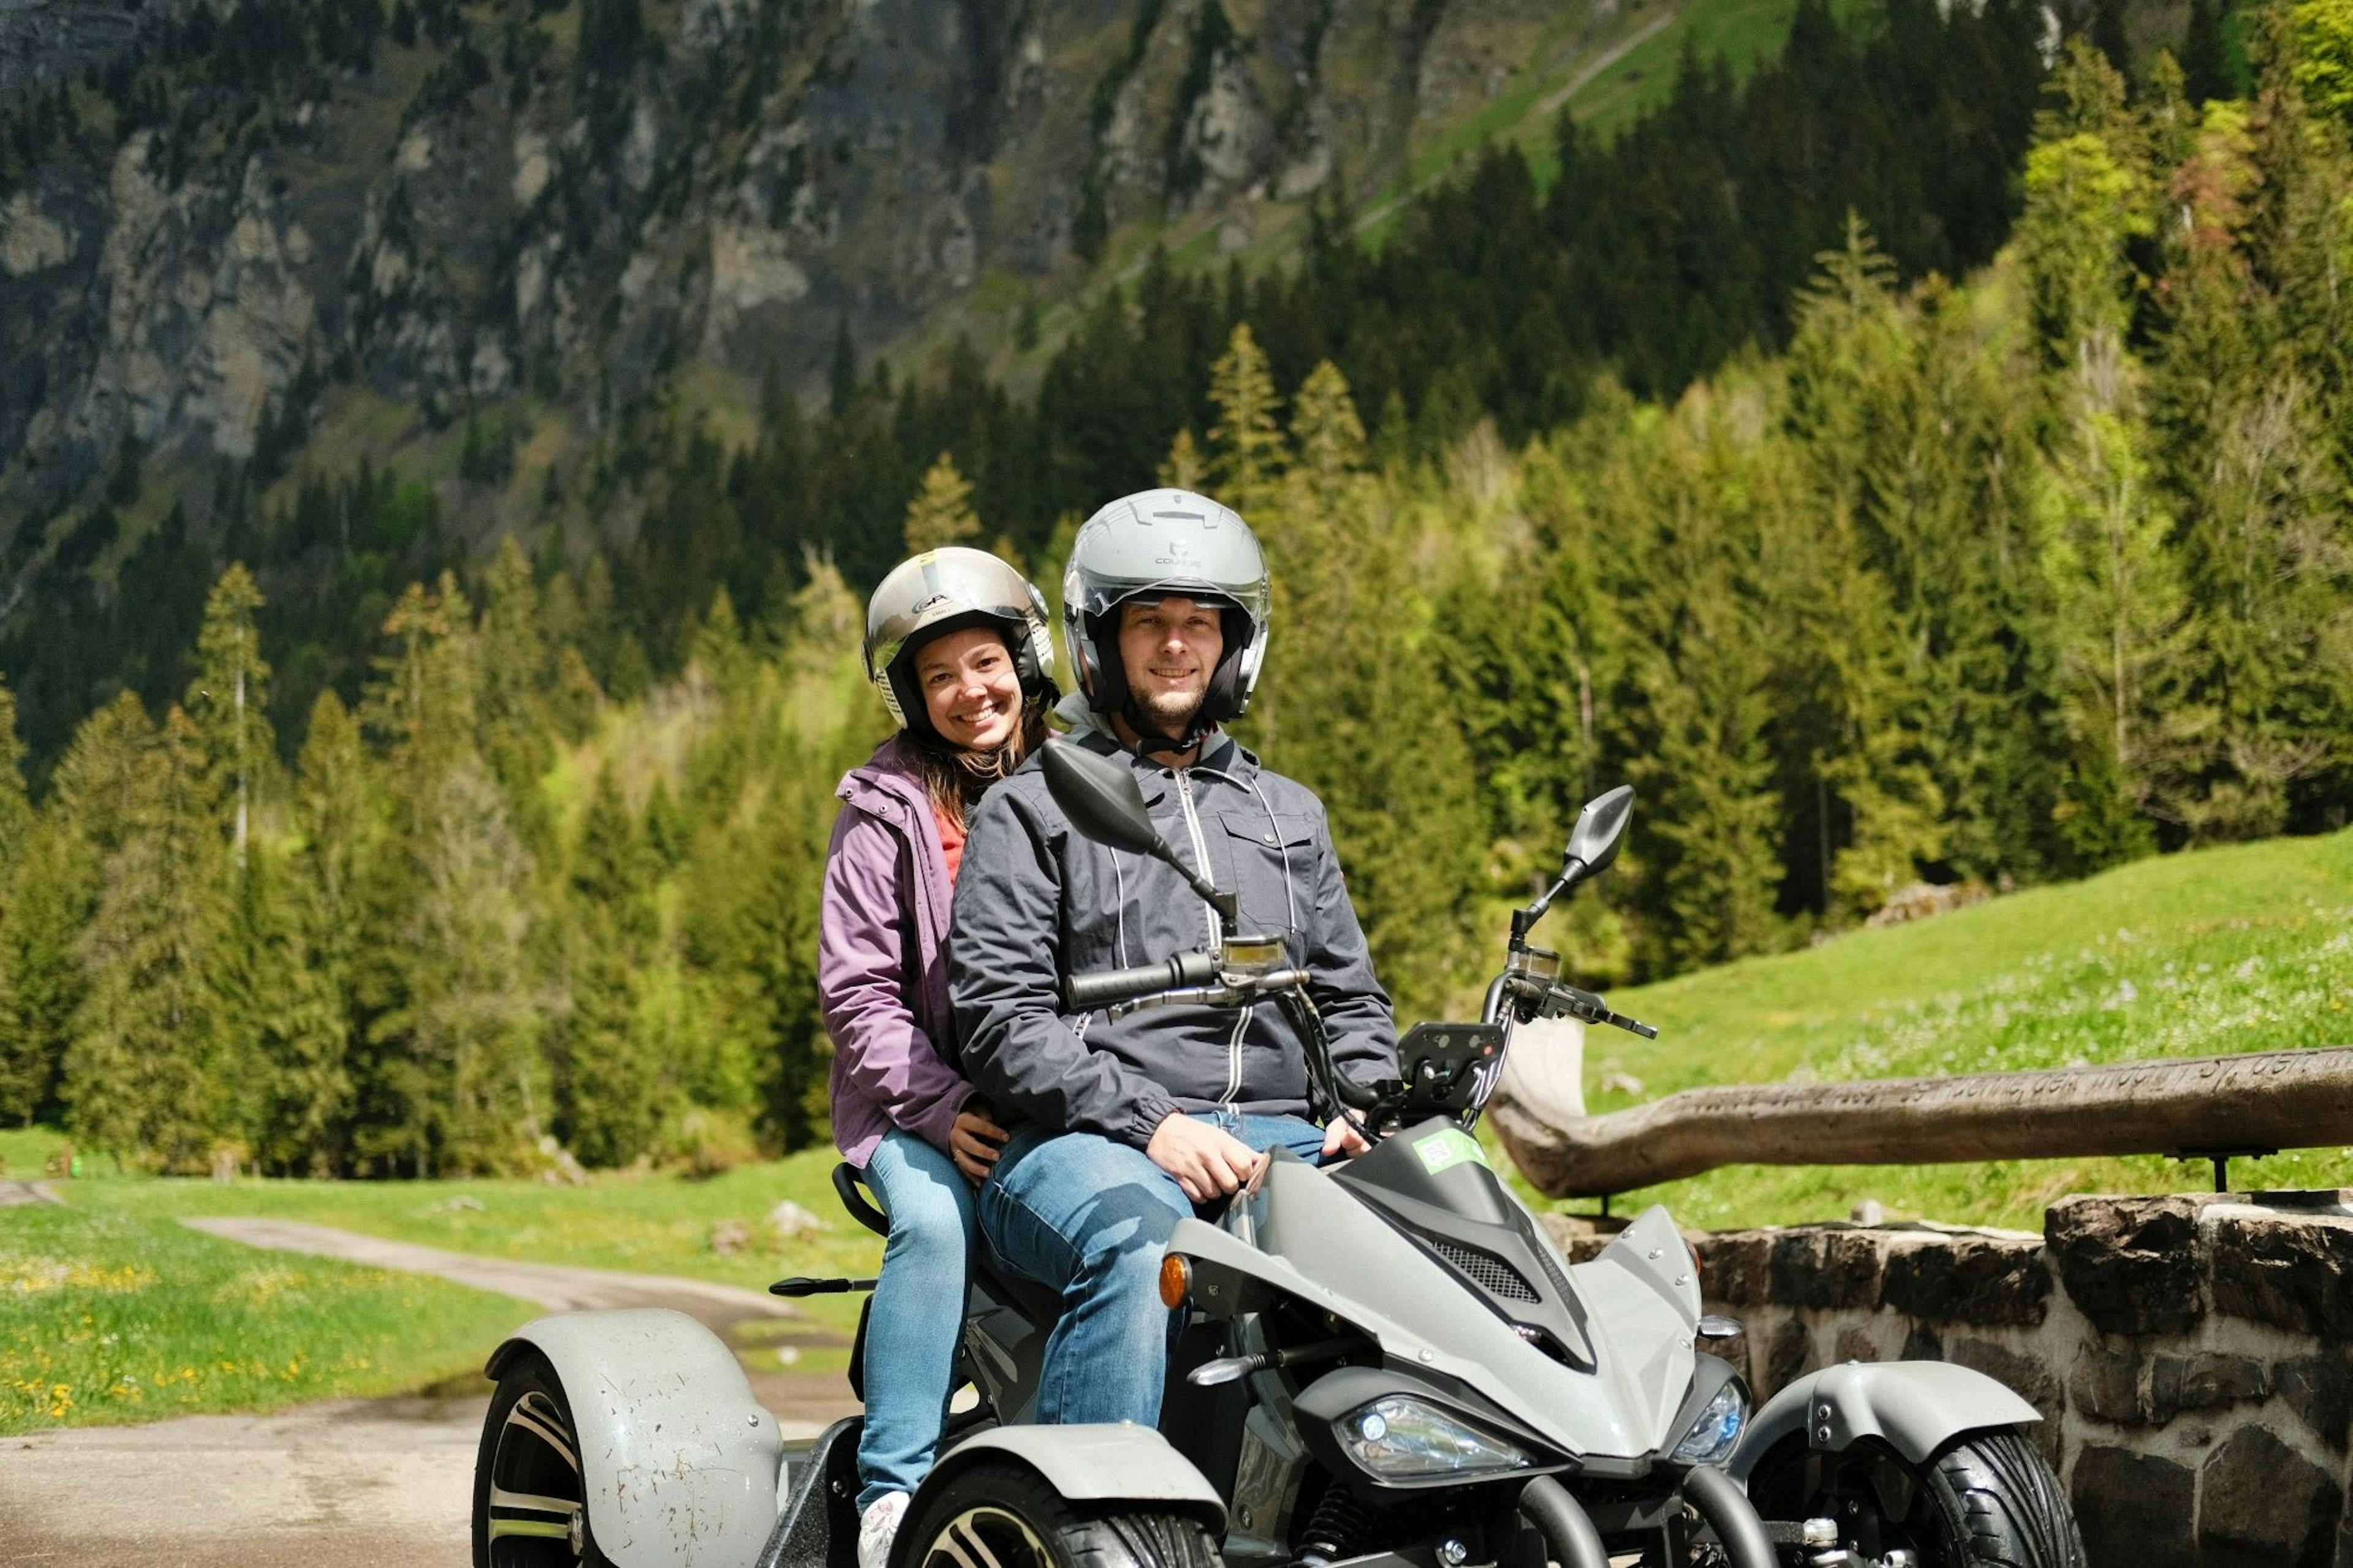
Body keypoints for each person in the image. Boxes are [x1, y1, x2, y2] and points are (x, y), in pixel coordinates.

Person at [949, 488, 1398, 1428]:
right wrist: (1152, 1123)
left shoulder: (1287, 811)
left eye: (1201, 622)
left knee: (1449, 1213)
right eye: (1149, 620)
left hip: (1284, 1136)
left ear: (1237, 643)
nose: (1176, 644)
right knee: (1137, 1240)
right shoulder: (1031, 808)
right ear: (1099, 640)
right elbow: (1000, 1020)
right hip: (1088, 1146)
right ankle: (1099, 1524)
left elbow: (1351, 997)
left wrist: (1361, 1104)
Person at [819, 547, 1057, 1568]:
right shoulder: (882, 809)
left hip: (1058, 1085)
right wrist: (939, 1103)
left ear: (1027, 659)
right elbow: (858, 995)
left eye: (986, 661)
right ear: (913, 697)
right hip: (915, 1104)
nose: (971, 692)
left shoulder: (1081, 777)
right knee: (937, 1222)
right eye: (939, 676)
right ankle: (895, 1493)